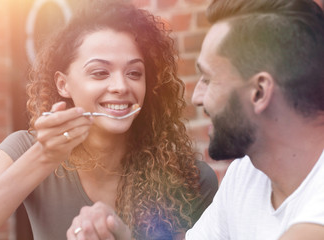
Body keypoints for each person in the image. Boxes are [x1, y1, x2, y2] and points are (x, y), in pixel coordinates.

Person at [0, 1, 218, 239]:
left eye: (134, 73)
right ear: (63, 85)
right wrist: (44, 156)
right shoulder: (23, 150)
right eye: (100, 73)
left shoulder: (191, 178)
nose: (121, 86)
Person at [66, 0, 324, 239]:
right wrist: (120, 234)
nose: (197, 97)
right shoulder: (245, 176)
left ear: (259, 92)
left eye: (209, 80)